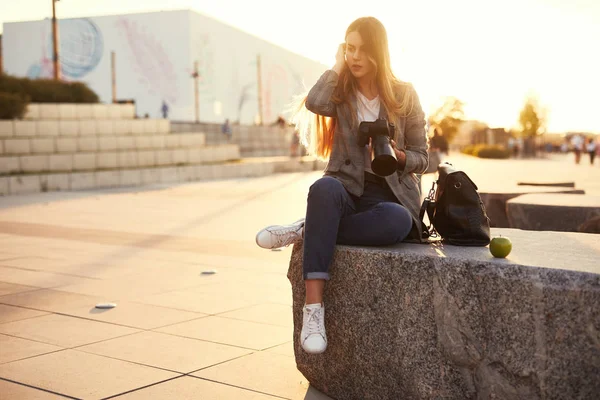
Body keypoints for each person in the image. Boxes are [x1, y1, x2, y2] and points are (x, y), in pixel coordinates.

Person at [255, 17, 428, 354]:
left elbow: (425, 157)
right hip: (346, 190)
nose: (355, 56)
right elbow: (314, 103)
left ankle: (309, 229)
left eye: (363, 49)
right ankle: (313, 312)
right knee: (323, 190)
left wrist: (399, 155)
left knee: (398, 221)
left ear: (379, 52)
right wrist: (336, 65)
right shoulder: (342, 93)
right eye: (349, 48)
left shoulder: (405, 95)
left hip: (388, 196)